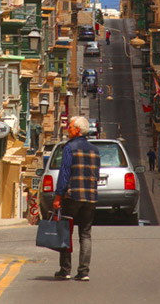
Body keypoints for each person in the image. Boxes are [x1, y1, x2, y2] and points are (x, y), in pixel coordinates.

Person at [53, 116, 100, 282]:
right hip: (90, 197)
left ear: (77, 130)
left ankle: (65, 269)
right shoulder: (95, 150)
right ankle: (83, 271)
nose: (68, 129)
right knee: (85, 234)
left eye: (70, 127)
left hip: (72, 196)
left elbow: (64, 174)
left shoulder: (69, 148)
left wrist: (58, 196)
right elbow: (96, 175)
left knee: (66, 231)